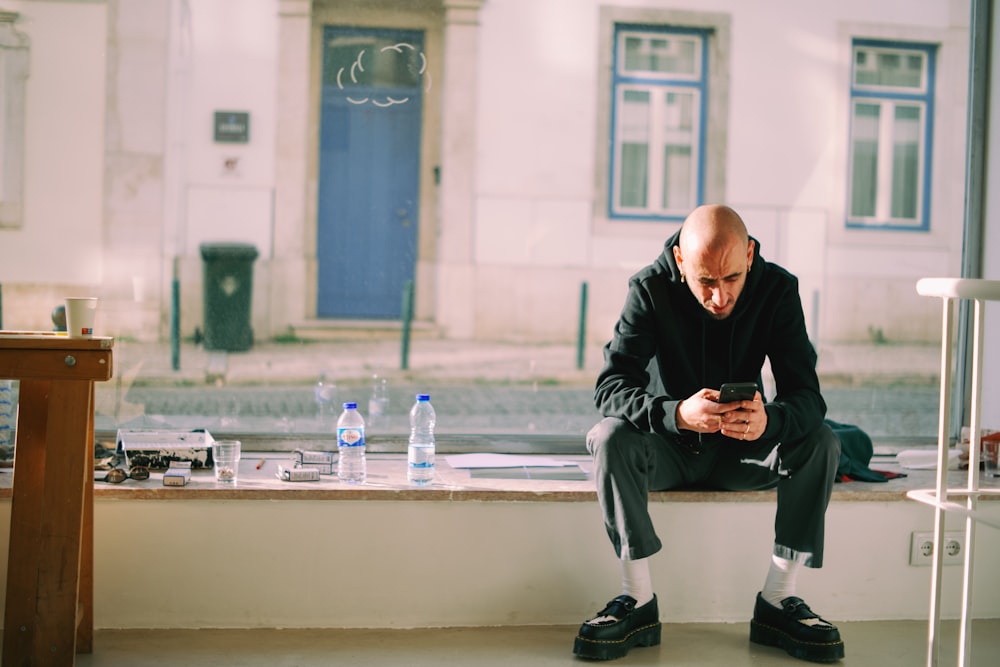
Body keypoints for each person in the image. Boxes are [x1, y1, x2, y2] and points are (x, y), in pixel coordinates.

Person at [572, 204, 844, 663]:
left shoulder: (778, 289)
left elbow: (808, 398)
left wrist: (769, 420)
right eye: (706, 282)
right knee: (609, 436)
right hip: (667, 452)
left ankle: (779, 599)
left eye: (732, 280)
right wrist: (677, 413)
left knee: (822, 441)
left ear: (750, 256)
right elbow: (611, 388)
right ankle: (636, 599)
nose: (719, 297)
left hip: (742, 453)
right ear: (680, 261)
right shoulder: (649, 288)